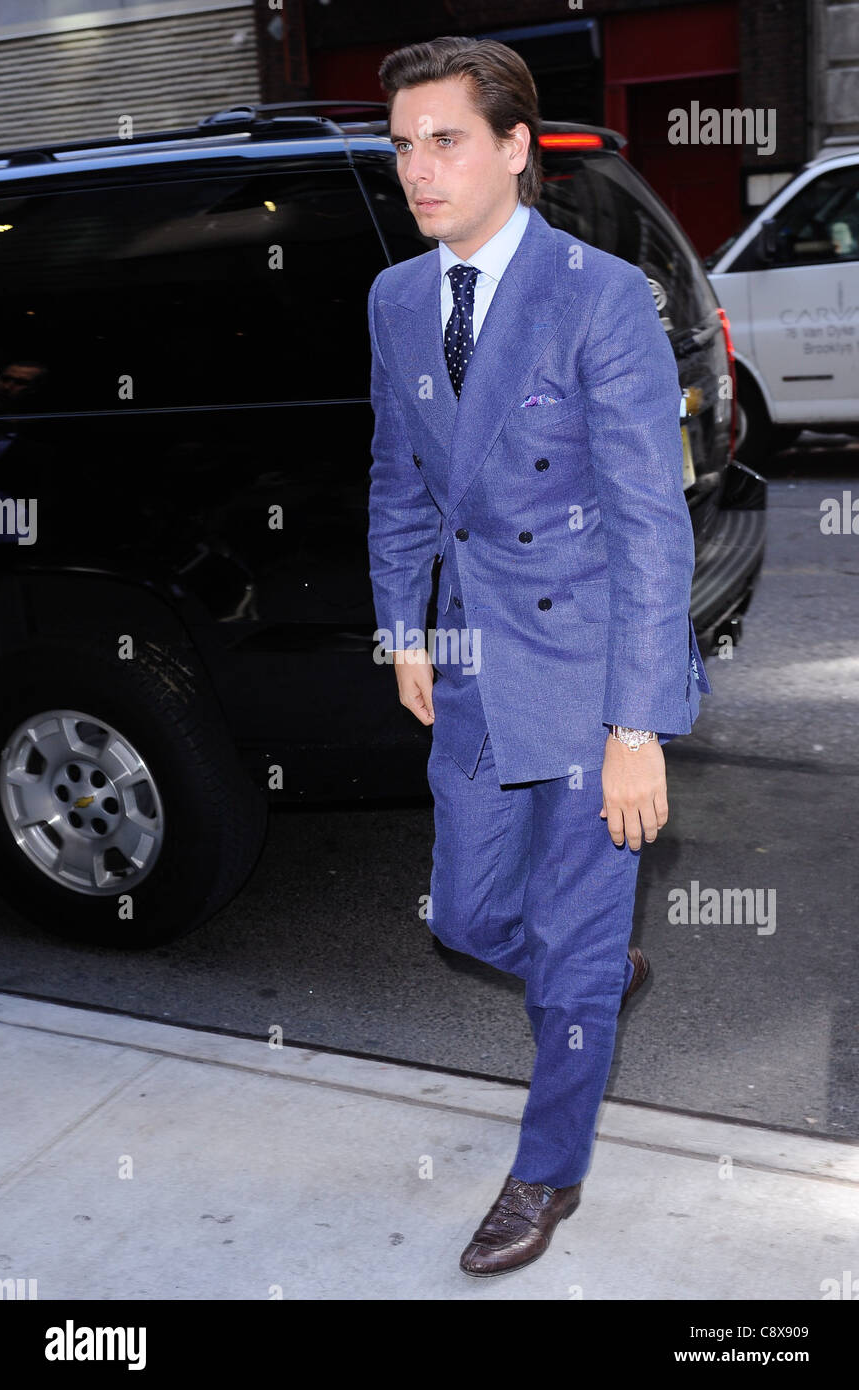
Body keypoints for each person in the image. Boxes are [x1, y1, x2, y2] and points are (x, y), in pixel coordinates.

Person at [366, 35, 711, 1278]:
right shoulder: (398, 300)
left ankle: (545, 1171)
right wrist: (402, 624)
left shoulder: (598, 293)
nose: (419, 166)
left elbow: (650, 526)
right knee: (465, 917)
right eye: (403, 143)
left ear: (516, 149)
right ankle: (593, 973)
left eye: (446, 138)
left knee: (564, 951)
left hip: (586, 678)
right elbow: (401, 480)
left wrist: (638, 727)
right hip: (468, 666)